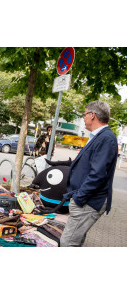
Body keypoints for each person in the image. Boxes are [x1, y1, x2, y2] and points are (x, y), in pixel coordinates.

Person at [60, 100, 118, 247]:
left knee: (67, 243)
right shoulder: (100, 137)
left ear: (92, 115)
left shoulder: (105, 138)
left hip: (88, 201)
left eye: (85, 114)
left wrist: (79, 199)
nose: (83, 118)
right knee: (75, 241)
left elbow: (98, 174)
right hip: (85, 200)